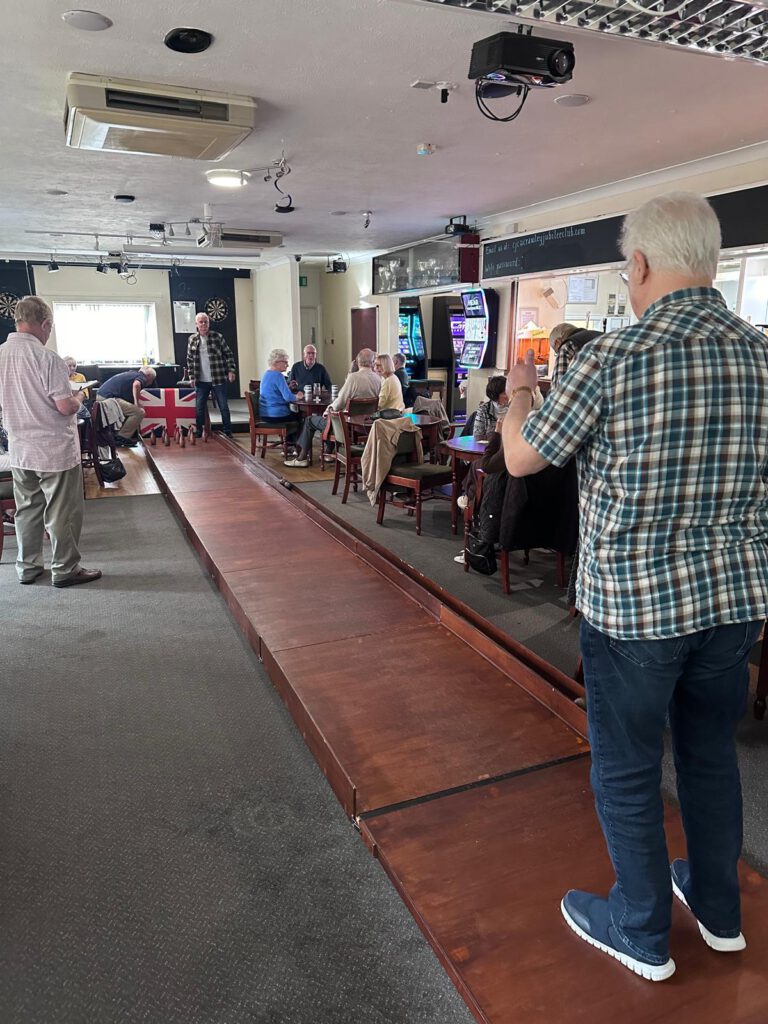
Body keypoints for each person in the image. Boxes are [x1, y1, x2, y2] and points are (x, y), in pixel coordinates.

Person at [502, 191, 768, 983]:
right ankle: (719, 912)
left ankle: (641, 927)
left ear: (642, 264)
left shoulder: (609, 359)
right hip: (734, 607)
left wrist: (521, 388)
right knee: (710, 757)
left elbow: (522, 459)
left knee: (625, 767)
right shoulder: (761, 357)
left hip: (635, 611)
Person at [0, 296, 101, 588]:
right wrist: (80, 394)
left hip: (19, 449)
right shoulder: (48, 358)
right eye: (49, 328)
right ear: (45, 324)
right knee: (62, 511)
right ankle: (65, 568)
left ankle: (28, 567)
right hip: (53, 450)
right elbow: (66, 407)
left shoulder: (1, 354)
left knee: (27, 509)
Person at [285, 348, 381, 468]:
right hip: (366, 425)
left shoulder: (353, 378)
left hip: (346, 425)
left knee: (311, 420)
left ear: (357, 361)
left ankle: (302, 458)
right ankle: (328, 452)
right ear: (372, 362)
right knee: (331, 418)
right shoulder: (378, 379)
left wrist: (327, 411)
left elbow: (339, 402)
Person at [186, 311, 237, 438]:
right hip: (201, 380)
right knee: (199, 407)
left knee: (223, 406)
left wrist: (231, 370)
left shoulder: (217, 337)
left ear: (209, 323)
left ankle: (228, 431)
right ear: (196, 324)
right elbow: (189, 360)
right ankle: (199, 431)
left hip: (218, 377)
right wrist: (191, 377)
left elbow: (229, 354)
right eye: (201, 322)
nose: (204, 324)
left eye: (206, 321)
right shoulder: (192, 339)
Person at [96, 365, 156, 446]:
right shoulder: (141, 377)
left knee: (131, 410)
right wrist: (136, 403)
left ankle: (119, 435)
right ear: (148, 376)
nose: (150, 383)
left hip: (101, 396)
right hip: (108, 398)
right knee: (139, 412)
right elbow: (136, 385)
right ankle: (121, 437)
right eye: (151, 380)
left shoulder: (131, 374)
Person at [258, 349, 301, 444]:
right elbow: (288, 398)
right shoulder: (278, 375)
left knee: (294, 415)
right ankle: (293, 445)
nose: (288, 365)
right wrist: (298, 396)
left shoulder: (267, 373)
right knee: (301, 417)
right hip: (276, 415)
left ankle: (290, 444)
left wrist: (287, 387)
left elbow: (275, 391)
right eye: (285, 362)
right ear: (277, 362)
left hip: (265, 413)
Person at [549, 323, 602, 387]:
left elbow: (558, 387)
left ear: (558, 342)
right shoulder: (603, 336)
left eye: (556, 352)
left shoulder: (567, 346)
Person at [472, 376, 509, 440]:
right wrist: (497, 432)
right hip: (489, 447)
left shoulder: (515, 408)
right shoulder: (484, 409)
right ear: (495, 395)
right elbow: (477, 436)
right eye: (504, 393)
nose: (508, 395)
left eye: (508, 391)